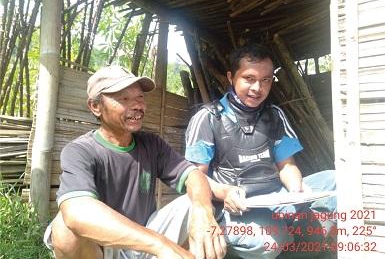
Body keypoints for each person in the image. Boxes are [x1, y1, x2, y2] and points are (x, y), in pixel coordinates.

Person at [44, 65, 227, 259]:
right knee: (64, 227)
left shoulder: (151, 144)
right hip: (105, 248)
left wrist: (203, 214)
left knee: (196, 202)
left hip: (147, 236)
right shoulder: (80, 151)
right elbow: (76, 212)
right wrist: (161, 245)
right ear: (95, 106)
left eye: (139, 97)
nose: (137, 106)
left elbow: (193, 175)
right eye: (124, 99)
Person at [185, 44, 337, 259]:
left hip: (275, 196)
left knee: (335, 180)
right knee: (269, 240)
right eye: (249, 78)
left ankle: (303, 233)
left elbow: (287, 164)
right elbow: (195, 177)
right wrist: (226, 192)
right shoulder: (208, 118)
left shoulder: (274, 115)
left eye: (266, 80)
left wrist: (296, 188)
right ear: (231, 77)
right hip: (234, 206)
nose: (258, 87)